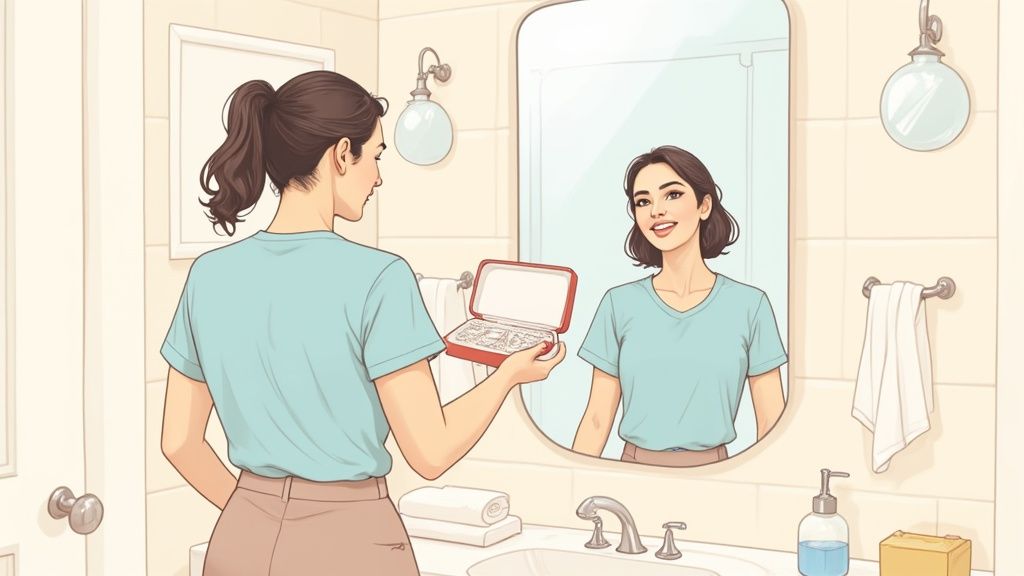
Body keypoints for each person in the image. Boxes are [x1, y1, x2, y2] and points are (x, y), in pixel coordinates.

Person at [159, 70, 566, 576]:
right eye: (375, 157)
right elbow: (431, 452)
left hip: (240, 538)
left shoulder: (209, 276)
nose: (377, 178)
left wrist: (258, 512)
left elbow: (178, 442)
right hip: (350, 542)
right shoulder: (379, 278)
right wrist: (507, 375)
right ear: (341, 153)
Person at [571, 145, 786, 467]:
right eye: (643, 201)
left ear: (704, 205)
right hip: (632, 470)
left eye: (671, 194)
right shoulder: (619, 304)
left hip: (718, 474)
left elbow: (771, 423)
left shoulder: (750, 306)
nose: (656, 210)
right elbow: (597, 419)